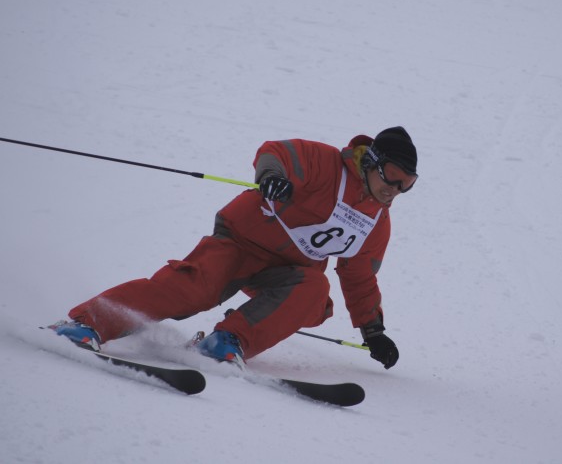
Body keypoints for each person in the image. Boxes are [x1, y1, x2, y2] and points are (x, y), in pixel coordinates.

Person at [51, 126, 418, 370]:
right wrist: (272, 178)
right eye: (392, 176)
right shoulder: (326, 164)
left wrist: (373, 331)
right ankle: (86, 324)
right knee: (192, 291)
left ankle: (227, 342)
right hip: (242, 241)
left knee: (314, 291)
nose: (395, 190)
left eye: (408, 184)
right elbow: (276, 152)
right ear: (370, 161)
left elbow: (359, 278)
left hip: (285, 272)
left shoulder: (376, 222)